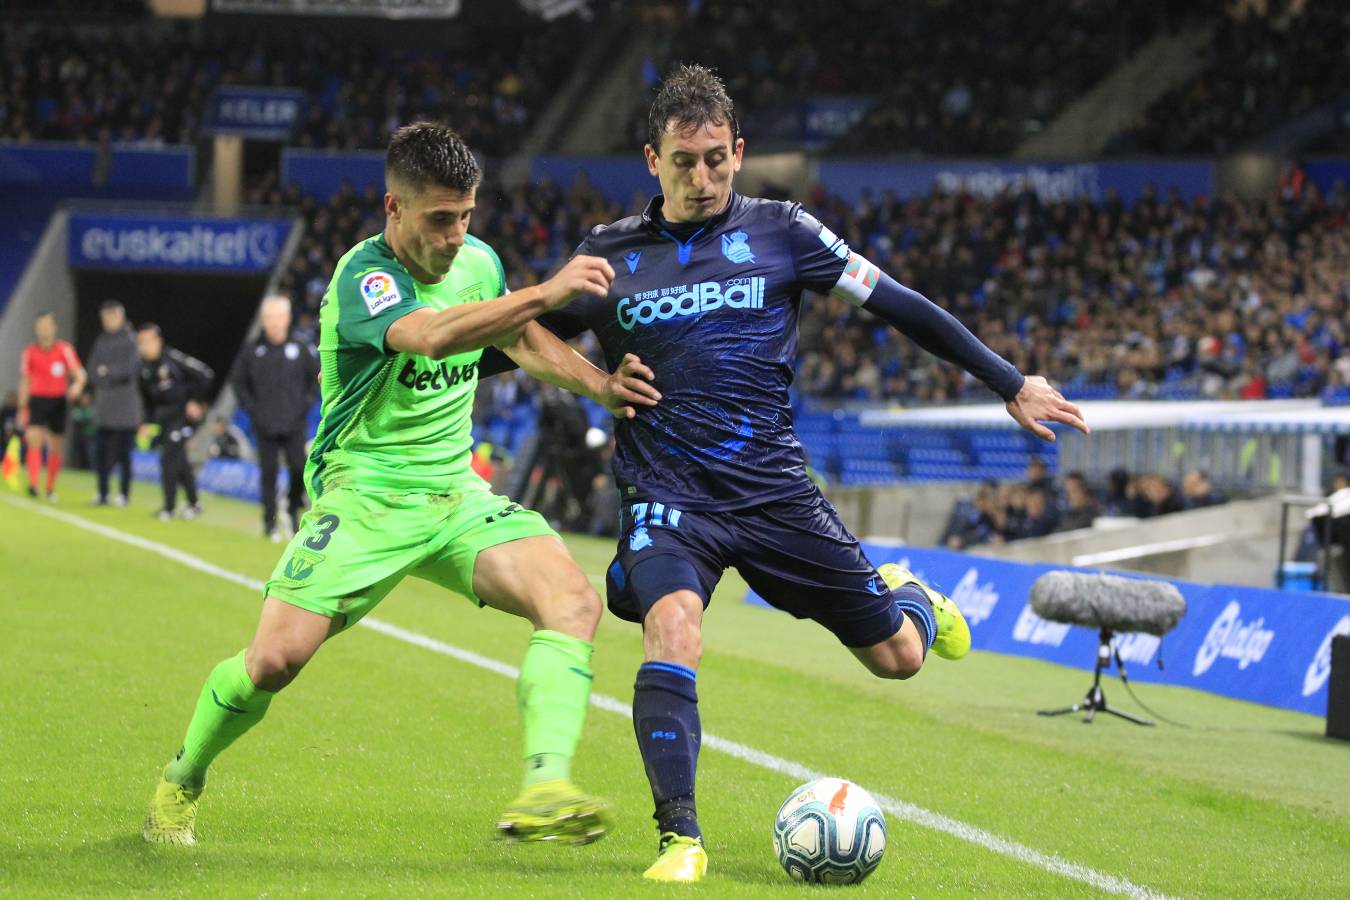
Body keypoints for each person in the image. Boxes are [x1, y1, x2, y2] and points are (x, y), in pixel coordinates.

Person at [481, 65, 1088, 882]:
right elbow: (512, 341)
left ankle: (905, 592)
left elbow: (902, 304)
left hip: (773, 494)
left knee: (900, 658)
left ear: (738, 151)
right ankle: (681, 839)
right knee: (673, 625)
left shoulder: (786, 232)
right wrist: (581, 376)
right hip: (668, 496)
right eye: (683, 162)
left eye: (715, 161)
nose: (702, 179)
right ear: (651, 160)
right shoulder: (607, 254)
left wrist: (1012, 382)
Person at [142, 122, 661, 849]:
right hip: (365, 497)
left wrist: (600, 385)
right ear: (394, 209)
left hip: (453, 494)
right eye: (440, 219)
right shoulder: (365, 278)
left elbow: (515, 339)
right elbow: (433, 336)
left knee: (572, 600)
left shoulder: (477, 261)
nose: (455, 236)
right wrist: (547, 290)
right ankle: (183, 777)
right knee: (272, 662)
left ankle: (545, 785)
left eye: (467, 217)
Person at [228, 295, 320, 540]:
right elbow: (238, 381)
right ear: (264, 321)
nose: (275, 323)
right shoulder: (253, 350)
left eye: (279, 317)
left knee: (298, 468)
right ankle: (269, 522)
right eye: (270, 318)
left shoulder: (301, 348)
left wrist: (305, 403)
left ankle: (290, 509)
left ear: (287, 319)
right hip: (265, 423)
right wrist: (252, 409)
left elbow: (317, 378)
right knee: (267, 473)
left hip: (294, 422)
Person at [136, 324, 214, 521]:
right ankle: (194, 503)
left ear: (158, 341)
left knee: (168, 460)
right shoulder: (144, 368)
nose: (144, 346)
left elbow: (204, 374)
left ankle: (169, 508)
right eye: (141, 342)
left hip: (181, 418)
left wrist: (195, 400)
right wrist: (145, 422)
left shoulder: (173, 359)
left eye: (148, 341)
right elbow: (147, 400)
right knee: (180, 462)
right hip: (164, 419)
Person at [17, 312, 86, 501]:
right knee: (34, 440)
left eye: (47, 325)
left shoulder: (64, 349)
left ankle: (50, 487)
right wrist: (22, 407)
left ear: (54, 327)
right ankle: (33, 484)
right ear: (36, 328)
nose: (44, 329)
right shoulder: (30, 351)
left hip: (58, 401)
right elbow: (25, 380)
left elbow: (79, 373)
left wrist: (77, 385)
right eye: (40, 325)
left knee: (55, 446)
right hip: (37, 400)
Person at [86, 300, 143, 506]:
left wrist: (106, 372)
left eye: (110, 316)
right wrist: (107, 374)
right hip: (104, 409)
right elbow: (92, 370)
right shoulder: (101, 340)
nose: (107, 321)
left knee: (124, 455)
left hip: (125, 410)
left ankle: (124, 494)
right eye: (104, 317)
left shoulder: (131, 340)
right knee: (100, 454)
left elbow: (130, 370)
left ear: (120, 317)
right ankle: (102, 493)